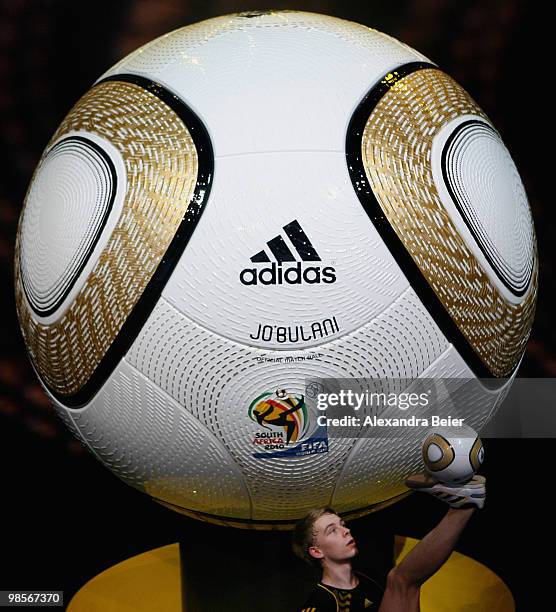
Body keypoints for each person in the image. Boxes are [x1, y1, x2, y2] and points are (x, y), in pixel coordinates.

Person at [292, 474, 486, 611]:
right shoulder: (320, 602)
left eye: (342, 524)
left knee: (404, 584)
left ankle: (464, 505)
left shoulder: (367, 582)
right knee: (401, 581)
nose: (346, 531)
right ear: (316, 552)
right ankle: (463, 506)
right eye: (332, 531)